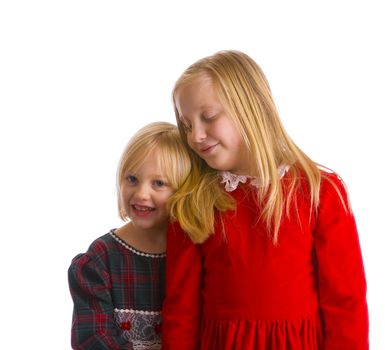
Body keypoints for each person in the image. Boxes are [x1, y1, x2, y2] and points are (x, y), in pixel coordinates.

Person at [161, 50, 369, 349]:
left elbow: (346, 303)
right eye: (187, 124)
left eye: (208, 117)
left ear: (252, 108)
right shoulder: (194, 202)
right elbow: (181, 312)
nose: (195, 136)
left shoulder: (320, 191)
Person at [68, 122, 191, 350]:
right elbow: (93, 339)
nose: (142, 194)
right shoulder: (99, 260)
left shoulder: (194, 254)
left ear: (183, 190)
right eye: (132, 179)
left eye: (159, 183)